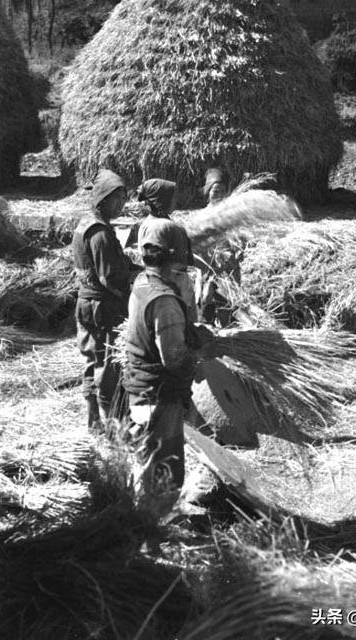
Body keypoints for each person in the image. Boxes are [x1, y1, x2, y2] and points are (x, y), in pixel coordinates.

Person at [123, 226, 213, 515]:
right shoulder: (165, 303)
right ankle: (156, 530)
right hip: (159, 398)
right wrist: (198, 357)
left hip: (140, 390)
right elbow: (174, 359)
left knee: (145, 466)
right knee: (163, 469)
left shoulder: (142, 282)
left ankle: (144, 523)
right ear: (175, 264)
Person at [72, 168, 134, 432]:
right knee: (106, 366)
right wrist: (131, 292)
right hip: (102, 307)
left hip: (87, 304)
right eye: (117, 198)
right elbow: (110, 277)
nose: (121, 205)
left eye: (124, 199)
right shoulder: (100, 233)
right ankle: (111, 427)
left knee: (92, 361)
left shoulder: (87, 225)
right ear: (102, 199)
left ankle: (94, 423)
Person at [137, 178, 197, 321]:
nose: (175, 200)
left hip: (176, 281)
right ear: (160, 200)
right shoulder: (156, 227)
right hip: (170, 284)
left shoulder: (164, 223)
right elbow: (153, 262)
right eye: (172, 196)